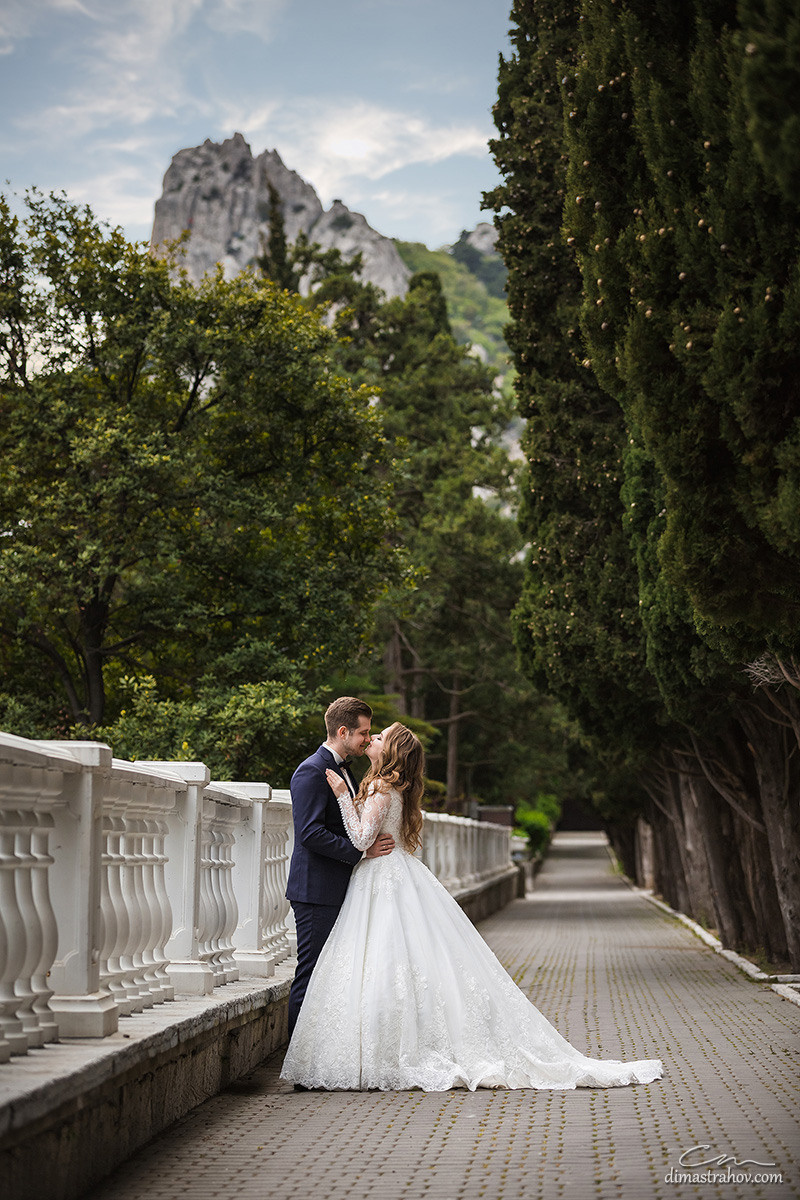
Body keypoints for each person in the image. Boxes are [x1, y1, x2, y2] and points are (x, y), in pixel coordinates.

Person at [281, 722, 663, 1092]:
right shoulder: (392, 785)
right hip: (389, 875)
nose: (371, 740)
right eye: (369, 734)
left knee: (383, 964)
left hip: (381, 876)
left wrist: (344, 798)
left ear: (391, 751)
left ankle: (369, 1051)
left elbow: (363, 837)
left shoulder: (380, 785)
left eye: (378, 737)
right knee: (396, 964)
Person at [285, 696, 394, 1040]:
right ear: (343, 731)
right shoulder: (311, 770)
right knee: (312, 973)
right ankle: (297, 1057)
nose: (367, 739)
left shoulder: (345, 769)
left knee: (331, 974)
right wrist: (361, 854)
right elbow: (310, 833)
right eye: (363, 733)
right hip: (315, 890)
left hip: (337, 887)